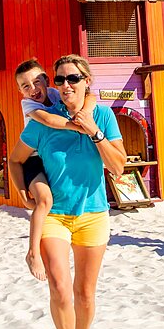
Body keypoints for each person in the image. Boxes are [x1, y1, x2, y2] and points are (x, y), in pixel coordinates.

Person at [7, 55, 126, 329]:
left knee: (85, 293)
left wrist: (94, 132)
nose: (65, 85)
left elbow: (118, 167)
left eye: (72, 78)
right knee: (60, 289)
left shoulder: (102, 115)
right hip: (55, 217)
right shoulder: (42, 121)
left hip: (92, 214)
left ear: (87, 81)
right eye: (59, 80)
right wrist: (23, 192)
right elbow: (16, 161)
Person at [13, 58, 97, 283]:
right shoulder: (29, 106)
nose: (33, 89)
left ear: (48, 81)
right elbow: (48, 119)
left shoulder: (56, 91)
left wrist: (86, 112)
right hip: (33, 160)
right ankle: (32, 253)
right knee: (45, 201)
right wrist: (75, 125)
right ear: (20, 91)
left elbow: (91, 96)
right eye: (25, 86)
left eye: (36, 82)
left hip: (50, 158)